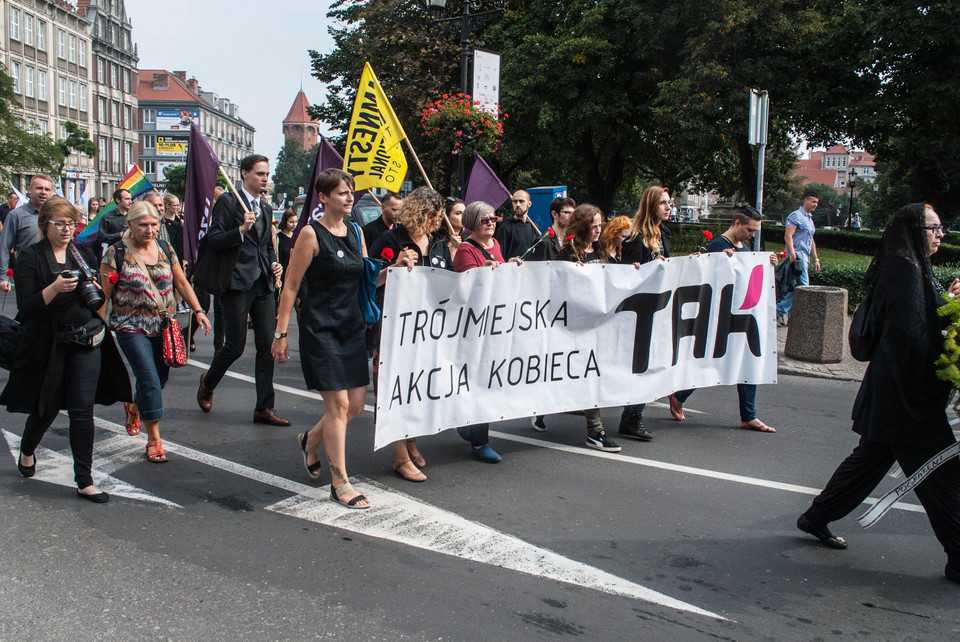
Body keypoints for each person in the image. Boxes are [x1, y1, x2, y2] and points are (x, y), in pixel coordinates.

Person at [796, 203, 960, 583]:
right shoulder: (904, 273)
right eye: (934, 229)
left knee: (869, 461)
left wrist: (949, 301)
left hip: (897, 396)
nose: (940, 235)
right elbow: (912, 339)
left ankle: (816, 516)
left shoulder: (912, 267)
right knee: (943, 477)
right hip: (906, 400)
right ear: (914, 232)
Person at [272, 169, 392, 509]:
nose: (350, 197)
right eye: (342, 192)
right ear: (323, 197)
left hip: (352, 327)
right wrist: (280, 333)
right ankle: (340, 483)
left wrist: (396, 267)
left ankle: (310, 440)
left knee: (354, 406)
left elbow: (367, 278)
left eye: (351, 192)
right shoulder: (310, 234)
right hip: (320, 328)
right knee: (338, 406)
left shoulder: (355, 231)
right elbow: (291, 286)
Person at [1, 197, 131, 502]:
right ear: (45, 223)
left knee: (82, 410)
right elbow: (27, 308)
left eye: (71, 223)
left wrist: (97, 290)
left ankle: (85, 480)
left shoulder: (82, 252)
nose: (65, 229)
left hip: (85, 340)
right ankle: (28, 449)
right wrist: (54, 288)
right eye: (59, 223)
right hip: (49, 342)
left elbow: (95, 294)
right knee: (46, 407)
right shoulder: (31, 257)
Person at [100, 201, 211, 462]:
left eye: (154, 225)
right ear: (130, 225)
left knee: (158, 382)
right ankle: (154, 439)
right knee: (149, 379)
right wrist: (99, 328)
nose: (149, 230)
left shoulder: (164, 248)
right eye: (143, 225)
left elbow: (181, 282)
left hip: (163, 325)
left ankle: (135, 405)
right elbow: (103, 296)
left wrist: (198, 311)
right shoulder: (115, 254)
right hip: (130, 326)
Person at [667, 206, 780, 432]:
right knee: (710, 362)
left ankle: (749, 415)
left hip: (740, 315)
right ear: (737, 223)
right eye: (750, 229)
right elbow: (707, 279)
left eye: (755, 231)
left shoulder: (744, 248)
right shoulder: (718, 246)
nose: (752, 235)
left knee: (747, 359)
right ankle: (679, 395)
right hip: (721, 316)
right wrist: (723, 262)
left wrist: (769, 266)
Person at [196, 155, 288, 426]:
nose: (265, 178)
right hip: (236, 283)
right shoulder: (228, 201)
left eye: (267, 174)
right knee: (235, 346)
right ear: (244, 174)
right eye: (260, 173)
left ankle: (264, 407)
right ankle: (208, 382)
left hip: (262, 284)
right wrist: (240, 229)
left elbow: (267, 245)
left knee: (266, 346)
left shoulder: (267, 207)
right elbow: (213, 239)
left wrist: (274, 263)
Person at [370, 187, 453, 480]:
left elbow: (452, 285)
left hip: (428, 332)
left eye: (440, 215)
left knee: (416, 389)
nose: (438, 221)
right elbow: (371, 284)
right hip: (395, 331)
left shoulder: (439, 244)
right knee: (395, 390)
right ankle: (400, 457)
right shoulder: (389, 241)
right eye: (434, 215)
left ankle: (412, 439)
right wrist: (394, 266)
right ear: (419, 212)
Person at [452, 201, 527, 463]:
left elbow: (501, 276)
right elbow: (463, 289)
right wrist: (481, 273)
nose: (492, 223)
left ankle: (468, 426)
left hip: (494, 324)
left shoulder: (494, 246)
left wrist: (510, 266)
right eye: (485, 220)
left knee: (485, 379)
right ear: (472, 223)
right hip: (474, 326)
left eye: (494, 218)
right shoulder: (465, 249)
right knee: (479, 379)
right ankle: (478, 440)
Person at [553, 204, 624, 452]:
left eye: (600, 225)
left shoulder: (602, 249)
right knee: (589, 373)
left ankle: (543, 406)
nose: (598, 230)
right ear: (582, 226)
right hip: (577, 327)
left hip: (600, 325)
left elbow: (616, 280)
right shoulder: (568, 253)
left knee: (584, 374)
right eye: (593, 225)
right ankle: (596, 432)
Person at [617, 186, 673, 442]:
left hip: (658, 308)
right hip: (639, 312)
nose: (668, 207)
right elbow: (625, 275)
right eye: (663, 203)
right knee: (642, 365)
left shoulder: (663, 234)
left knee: (651, 364)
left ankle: (633, 413)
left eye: (669, 203)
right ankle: (631, 417)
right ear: (651, 205)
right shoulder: (635, 238)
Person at [0, 175, 55, 292]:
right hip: (27, 273)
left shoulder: (57, 215)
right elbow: (4, 247)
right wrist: (3, 277)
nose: (43, 192)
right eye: (39, 188)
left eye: (47, 189)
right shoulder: (16, 215)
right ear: (29, 190)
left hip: (54, 273)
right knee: (30, 309)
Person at [776, 191, 820, 325]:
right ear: (805, 201)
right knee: (803, 287)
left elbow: (811, 239)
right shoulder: (796, 216)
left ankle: (788, 314)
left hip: (804, 257)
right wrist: (792, 253)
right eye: (813, 202)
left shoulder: (809, 218)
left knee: (797, 287)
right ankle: (781, 309)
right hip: (798, 256)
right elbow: (788, 235)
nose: (815, 205)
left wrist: (816, 259)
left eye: (817, 202)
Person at [495, 189, 540, 260]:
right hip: (511, 270)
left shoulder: (533, 227)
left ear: (529, 204)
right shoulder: (505, 227)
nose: (518, 204)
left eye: (521, 201)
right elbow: (499, 257)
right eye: (515, 201)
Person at [437, 197, 464, 261]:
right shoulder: (437, 242)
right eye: (458, 213)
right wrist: (453, 248)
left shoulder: (466, 241)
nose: (464, 216)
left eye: (465, 213)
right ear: (446, 216)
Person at [276, 209, 298, 280]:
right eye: (291, 222)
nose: (294, 225)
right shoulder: (278, 238)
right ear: (285, 222)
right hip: (283, 275)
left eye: (296, 222)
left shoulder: (297, 237)